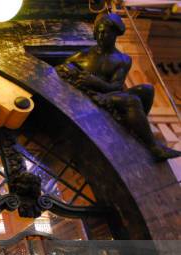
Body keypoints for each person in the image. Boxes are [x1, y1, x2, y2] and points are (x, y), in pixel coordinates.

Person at [56, 13, 180, 160]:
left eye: (106, 32)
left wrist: (96, 82)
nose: (102, 36)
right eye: (99, 32)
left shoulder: (123, 59)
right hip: (89, 96)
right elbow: (60, 68)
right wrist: (73, 73)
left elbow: (115, 86)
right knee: (131, 101)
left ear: (115, 34)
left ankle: (135, 128)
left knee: (147, 89)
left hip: (107, 93)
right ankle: (154, 148)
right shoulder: (83, 56)